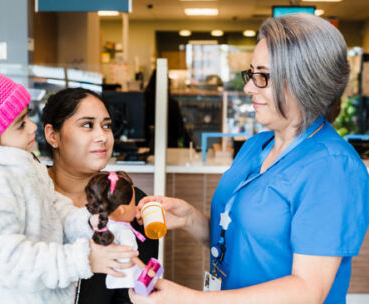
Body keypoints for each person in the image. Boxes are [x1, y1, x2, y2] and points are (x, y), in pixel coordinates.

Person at [129, 13, 369, 304]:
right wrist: (191, 219)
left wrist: (186, 299)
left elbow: (308, 290)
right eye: (251, 73)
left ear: (306, 81)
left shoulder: (332, 168)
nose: (248, 88)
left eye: (262, 77)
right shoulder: (256, 146)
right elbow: (242, 240)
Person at [0, 69, 137, 304]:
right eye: (21, 125)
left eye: (27, 117)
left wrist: (87, 222)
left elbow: (53, 211)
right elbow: (8, 260)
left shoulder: (24, 169)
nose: (33, 128)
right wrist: (85, 259)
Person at [42, 87, 158, 304]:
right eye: (87, 125)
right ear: (52, 135)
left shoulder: (127, 200)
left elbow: (133, 295)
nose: (103, 136)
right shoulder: (32, 194)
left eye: (106, 126)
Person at [86, 171, 154, 290]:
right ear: (122, 210)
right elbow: (130, 255)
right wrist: (146, 269)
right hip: (127, 275)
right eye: (134, 205)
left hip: (114, 275)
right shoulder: (123, 232)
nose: (136, 208)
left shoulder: (104, 224)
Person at [144, 69, 191, 149]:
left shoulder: (144, 101)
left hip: (147, 146)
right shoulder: (172, 104)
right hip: (170, 147)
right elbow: (179, 131)